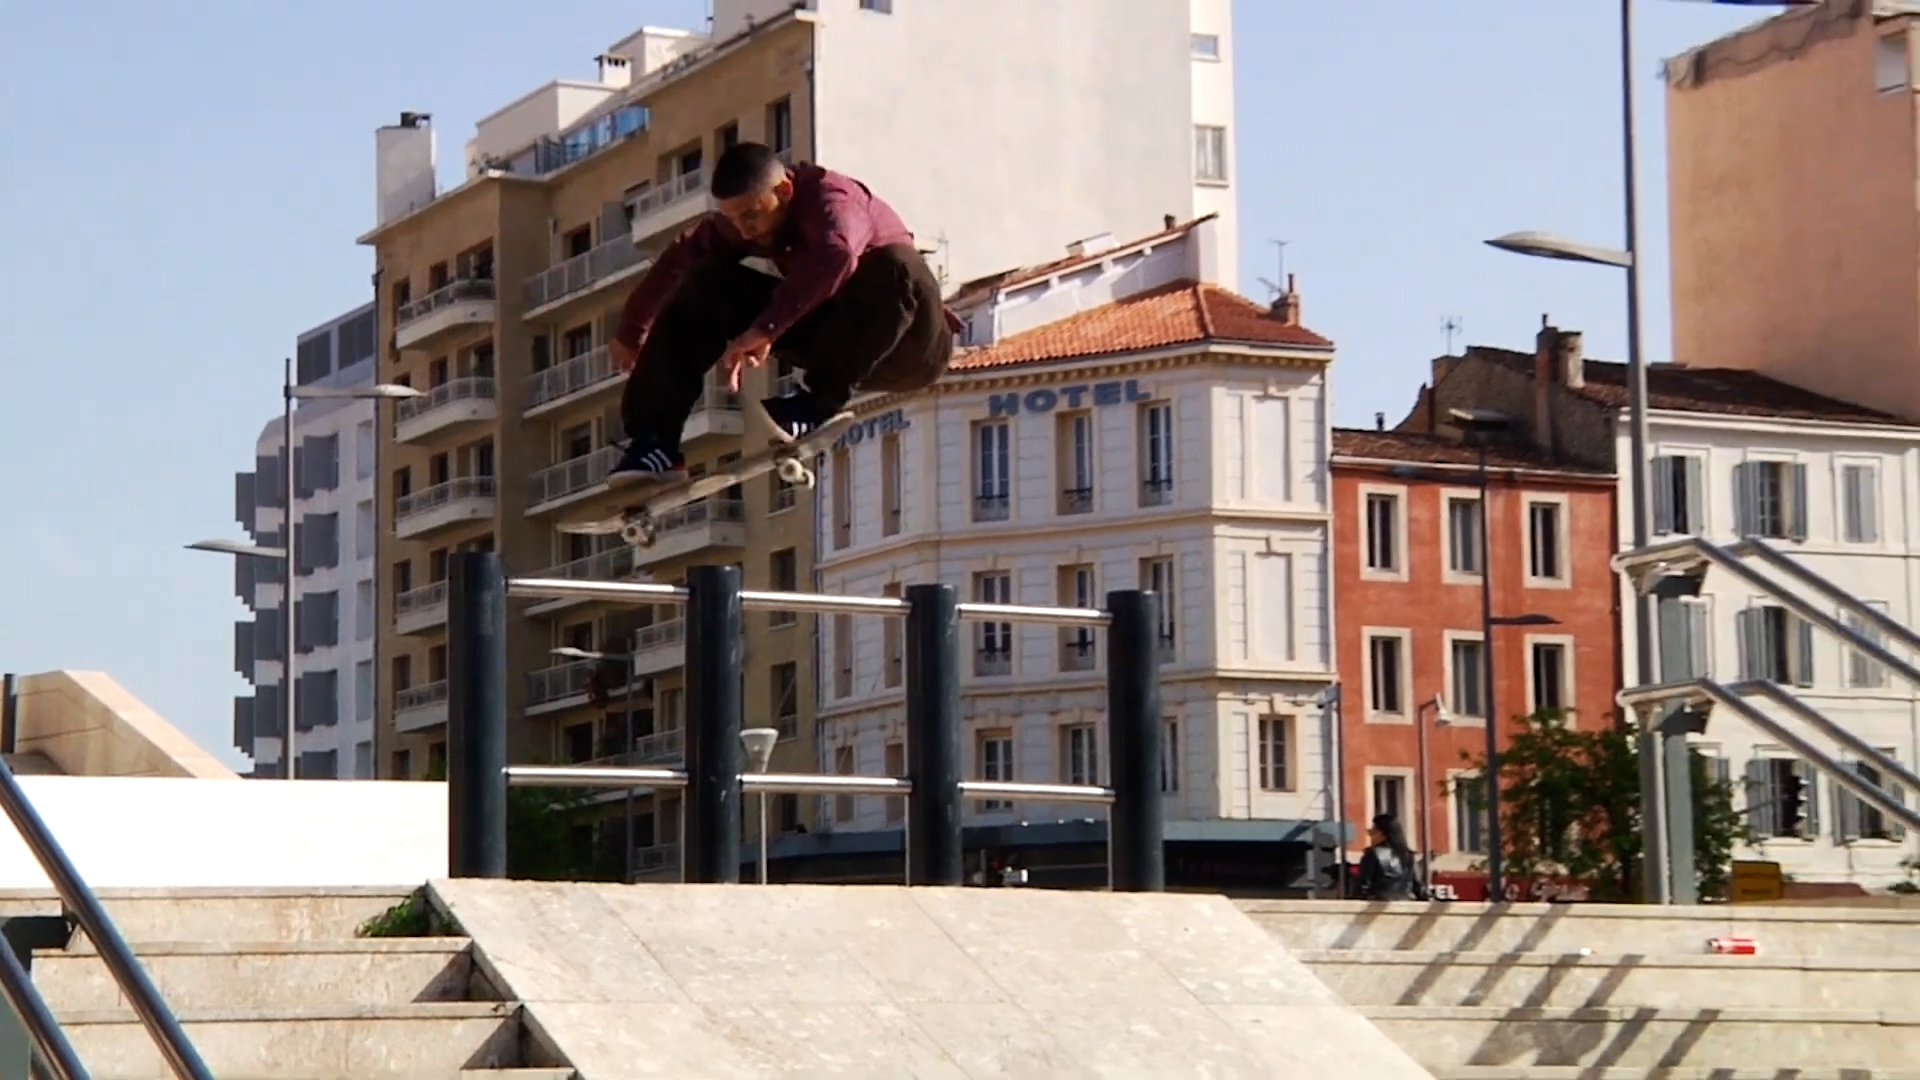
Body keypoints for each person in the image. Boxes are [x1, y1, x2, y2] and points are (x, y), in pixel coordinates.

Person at [605, 142, 958, 484]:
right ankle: (656, 443)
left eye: (751, 215)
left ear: (785, 191)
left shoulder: (832, 200)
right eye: (733, 219)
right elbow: (682, 255)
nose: (745, 229)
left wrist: (766, 329)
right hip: (834, 338)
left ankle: (815, 406)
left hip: (911, 345)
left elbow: (837, 256)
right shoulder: (746, 221)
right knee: (705, 282)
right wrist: (632, 330)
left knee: (896, 265)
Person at [1354, 813, 1424, 902]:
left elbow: (1363, 885)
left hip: (1378, 903)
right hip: (1404, 903)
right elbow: (1419, 886)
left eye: (1372, 832)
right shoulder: (1408, 856)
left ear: (1383, 834)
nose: (1370, 836)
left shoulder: (1373, 854)